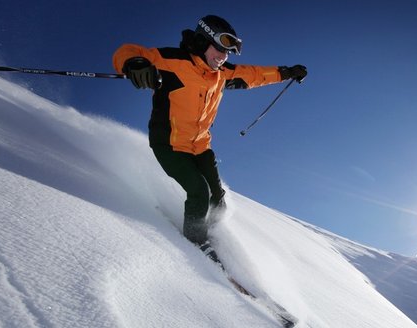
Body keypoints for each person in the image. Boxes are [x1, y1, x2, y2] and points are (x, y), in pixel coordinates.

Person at [113, 15, 307, 252]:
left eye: (228, 53)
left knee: (218, 199)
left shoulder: (222, 74)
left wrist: (287, 72)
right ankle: (196, 245)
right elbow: (129, 51)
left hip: (201, 146)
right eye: (219, 49)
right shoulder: (173, 61)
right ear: (203, 41)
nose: (223, 57)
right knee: (199, 192)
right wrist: (134, 63)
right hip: (169, 144)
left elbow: (255, 74)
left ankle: (213, 233)